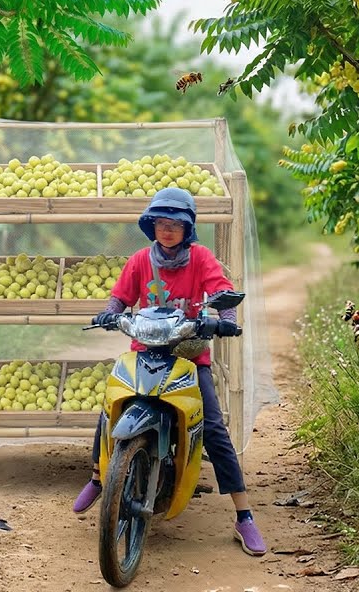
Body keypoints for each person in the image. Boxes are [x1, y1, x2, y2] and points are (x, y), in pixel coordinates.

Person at [72, 187, 267, 556]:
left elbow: (222, 290)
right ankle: (101, 477)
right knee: (109, 406)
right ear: (151, 226)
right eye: (161, 223)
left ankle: (244, 515)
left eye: (175, 224)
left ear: (188, 229)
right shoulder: (141, 260)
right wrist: (108, 313)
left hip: (189, 358)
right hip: (144, 352)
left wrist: (225, 320)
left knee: (212, 426)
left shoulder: (201, 259)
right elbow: (120, 297)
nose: (167, 230)